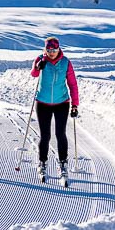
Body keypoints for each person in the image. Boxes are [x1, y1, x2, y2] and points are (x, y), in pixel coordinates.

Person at [30, 36, 79, 185]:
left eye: (54, 49)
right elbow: (34, 74)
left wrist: (75, 104)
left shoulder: (65, 63)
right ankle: (42, 163)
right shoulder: (40, 59)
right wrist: (39, 66)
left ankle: (63, 164)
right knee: (45, 135)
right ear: (45, 49)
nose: (52, 52)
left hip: (61, 103)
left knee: (60, 134)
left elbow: (72, 84)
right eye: (49, 50)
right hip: (43, 103)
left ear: (59, 49)